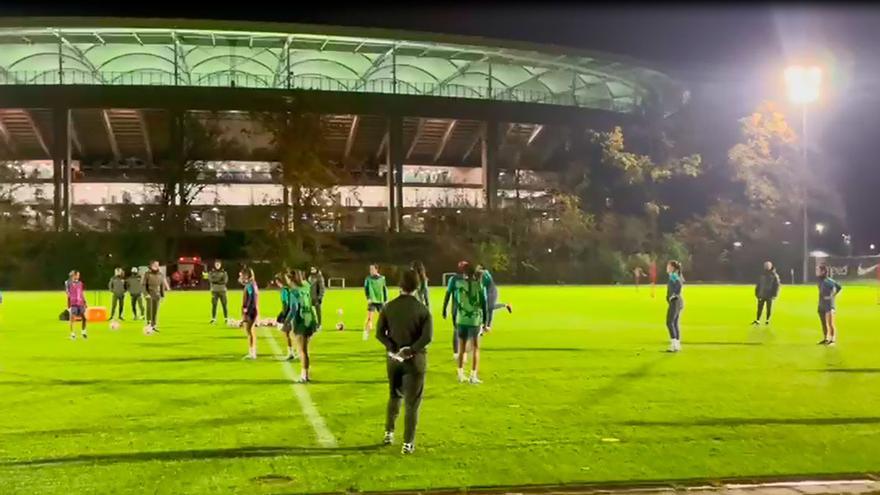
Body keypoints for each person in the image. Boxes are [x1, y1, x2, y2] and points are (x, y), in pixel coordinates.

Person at [376, 268, 433, 455]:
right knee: (412, 404)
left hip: (393, 361)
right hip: (415, 361)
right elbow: (427, 337)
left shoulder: (388, 307)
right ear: (418, 285)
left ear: (400, 284)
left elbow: (379, 334)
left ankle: (388, 433)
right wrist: (410, 350)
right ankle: (407, 443)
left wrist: (392, 348)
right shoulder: (422, 310)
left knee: (394, 396)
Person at [449, 262, 488, 384]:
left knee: (462, 348)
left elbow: (456, 303)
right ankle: (473, 376)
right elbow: (484, 305)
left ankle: (460, 374)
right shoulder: (479, 286)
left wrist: (455, 318)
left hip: (461, 319)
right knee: (476, 348)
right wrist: (485, 322)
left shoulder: (458, 284)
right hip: (474, 320)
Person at [287, 269, 319, 381]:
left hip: (301, 321)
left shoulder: (294, 292)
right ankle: (305, 373)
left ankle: (304, 376)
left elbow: (294, 309)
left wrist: (286, 322)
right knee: (303, 349)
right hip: (310, 319)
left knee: (302, 350)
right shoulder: (306, 286)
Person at [475, 263, 512, 332]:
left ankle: (505, 305)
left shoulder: (484, 275)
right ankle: (487, 326)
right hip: (491, 291)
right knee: (489, 309)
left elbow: (482, 284)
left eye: (478, 268)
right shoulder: (485, 273)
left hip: (492, 292)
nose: (477, 269)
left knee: (490, 307)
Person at [442, 261, 467, 361]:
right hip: (465, 310)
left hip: (456, 309)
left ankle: (456, 353)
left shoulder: (453, 279)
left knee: (456, 330)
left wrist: (444, 309)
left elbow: (448, 294)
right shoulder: (470, 279)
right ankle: (462, 353)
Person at [816, 264, 842, 346]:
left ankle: (833, 340)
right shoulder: (820, 281)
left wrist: (832, 296)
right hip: (821, 305)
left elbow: (838, 287)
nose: (817, 272)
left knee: (830, 323)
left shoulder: (829, 281)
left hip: (829, 305)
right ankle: (826, 339)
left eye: (818, 270)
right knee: (824, 324)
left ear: (823, 271)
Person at [274, 271, 297, 361]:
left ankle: (291, 353)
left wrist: (283, 315)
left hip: (288, 313)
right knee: (293, 333)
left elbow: (285, 304)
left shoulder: (284, 290)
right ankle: (295, 351)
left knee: (287, 334)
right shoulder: (290, 289)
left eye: (277, 281)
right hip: (295, 312)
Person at [142, 261, 169, 333]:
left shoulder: (160, 274)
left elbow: (162, 285)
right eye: (155, 265)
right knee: (149, 309)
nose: (156, 266)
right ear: (151, 266)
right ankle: (148, 324)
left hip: (157, 295)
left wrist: (162, 295)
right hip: (149, 294)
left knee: (155, 311)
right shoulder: (147, 274)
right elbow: (144, 285)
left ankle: (153, 325)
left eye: (157, 265)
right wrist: (146, 294)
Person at [363, 263, 388, 341]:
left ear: (376, 270)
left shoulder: (382, 278)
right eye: (370, 269)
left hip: (380, 300)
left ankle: (386, 332)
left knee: (384, 318)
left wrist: (386, 299)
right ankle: (366, 334)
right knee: (369, 318)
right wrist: (368, 298)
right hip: (372, 300)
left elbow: (384, 289)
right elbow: (366, 289)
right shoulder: (368, 279)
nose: (371, 271)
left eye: (372, 269)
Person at [752, 261, 781, 325]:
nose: (766, 267)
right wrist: (756, 292)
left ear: (770, 266)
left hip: (770, 295)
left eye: (767, 266)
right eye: (765, 265)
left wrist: (775, 294)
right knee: (759, 308)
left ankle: (767, 320)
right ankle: (758, 320)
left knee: (768, 308)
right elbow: (758, 284)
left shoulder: (774, 275)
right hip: (761, 294)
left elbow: (777, 285)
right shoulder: (762, 274)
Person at [240, 266, 259, 359]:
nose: (241, 276)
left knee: (249, 331)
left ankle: (252, 353)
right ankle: (252, 352)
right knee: (250, 331)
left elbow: (252, 298)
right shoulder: (252, 284)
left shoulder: (250, 285)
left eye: (242, 275)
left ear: (247, 275)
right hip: (253, 309)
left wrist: (246, 310)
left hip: (251, 310)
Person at [665, 260, 684, 353]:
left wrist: (674, 295)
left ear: (672, 268)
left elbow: (679, 285)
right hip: (678, 302)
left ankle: (674, 345)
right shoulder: (674, 275)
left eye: (668, 266)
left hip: (675, 302)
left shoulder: (673, 275)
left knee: (669, 322)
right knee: (675, 323)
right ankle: (677, 345)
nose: (667, 268)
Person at [66, 270, 88, 340]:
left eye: (79, 275)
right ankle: (72, 334)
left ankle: (83, 332)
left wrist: (85, 302)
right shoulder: (68, 283)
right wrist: (68, 305)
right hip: (73, 303)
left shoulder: (80, 283)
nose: (79, 276)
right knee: (72, 318)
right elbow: (67, 294)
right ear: (74, 275)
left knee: (84, 318)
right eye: (77, 275)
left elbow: (82, 293)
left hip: (80, 303)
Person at [208, 260, 229, 324]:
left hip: (222, 291)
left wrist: (215, 281)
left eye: (218, 264)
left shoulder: (224, 272)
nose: (217, 266)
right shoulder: (211, 272)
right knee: (214, 305)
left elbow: (225, 281)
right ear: (215, 265)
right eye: (216, 264)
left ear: (220, 265)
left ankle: (226, 318)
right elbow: (210, 280)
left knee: (224, 305)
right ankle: (213, 319)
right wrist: (220, 280)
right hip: (214, 291)